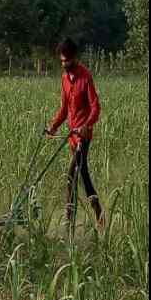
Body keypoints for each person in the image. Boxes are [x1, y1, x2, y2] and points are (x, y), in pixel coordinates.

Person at [45, 37, 104, 230]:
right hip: (71, 136)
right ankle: (100, 215)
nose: (64, 64)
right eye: (62, 61)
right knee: (84, 176)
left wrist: (87, 125)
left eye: (67, 61)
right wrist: (53, 126)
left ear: (74, 58)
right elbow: (64, 109)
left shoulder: (85, 76)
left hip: (83, 137)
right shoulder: (64, 79)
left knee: (70, 176)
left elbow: (96, 106)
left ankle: (68, 219)